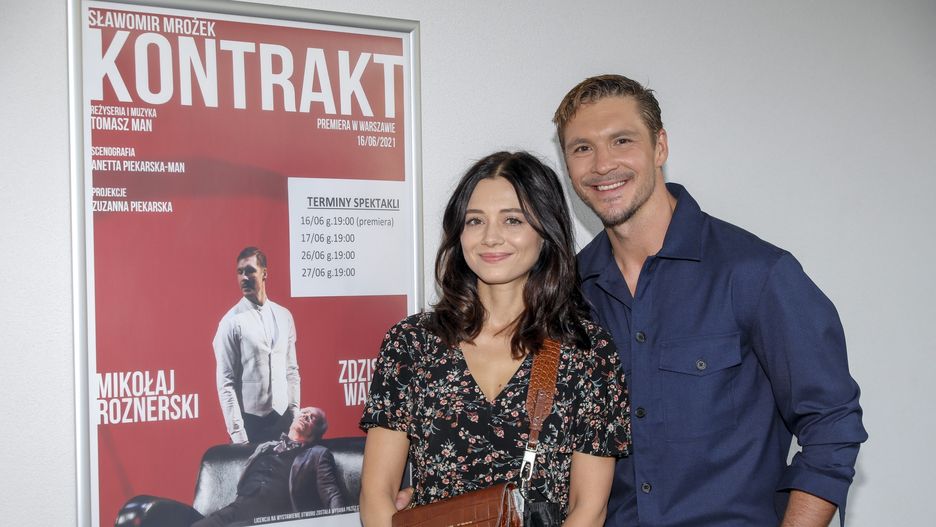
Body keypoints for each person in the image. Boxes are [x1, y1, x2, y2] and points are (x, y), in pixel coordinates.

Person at [552, 74, 868, 526]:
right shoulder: (568, 292)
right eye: (582, 148)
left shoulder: (756, 273)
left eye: (622, 140)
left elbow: (832, 425)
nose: (603, 164)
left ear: (660, 147)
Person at [359, 151, 631, 526]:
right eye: (475, 220)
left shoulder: (588, 352)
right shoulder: (411, 344)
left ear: (545, 231)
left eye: (512, 220)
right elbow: (376, 495)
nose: (490, 237)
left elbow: (589, 508)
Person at [192, 407, 347, 527]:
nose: (306, 416)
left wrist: (341, 522)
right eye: (304, 412)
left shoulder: (318, 454)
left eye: (313, 418)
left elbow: (331, 494)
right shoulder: (265, 447)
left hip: (274, 518)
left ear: (317, 432)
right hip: (238, 510)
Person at [213, 246, 300, 444]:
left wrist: (295, 418)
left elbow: (292, 371)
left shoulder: (284, 316)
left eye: (250, 271)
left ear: (264, 273)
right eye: (240, 272)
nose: (244, 277)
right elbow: (225, 384)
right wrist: (239, 437)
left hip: (284, 421)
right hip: (250, 425)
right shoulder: (230, 323)